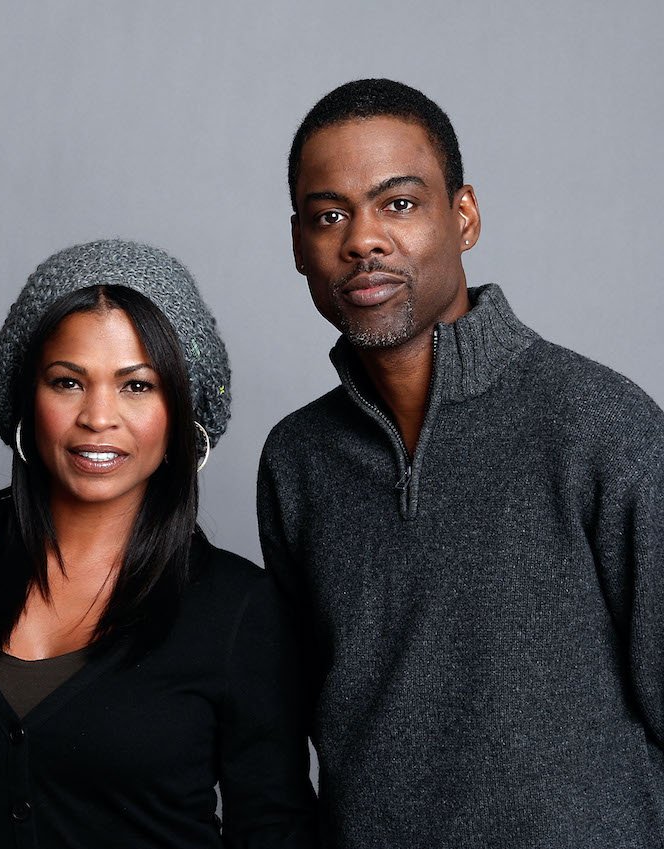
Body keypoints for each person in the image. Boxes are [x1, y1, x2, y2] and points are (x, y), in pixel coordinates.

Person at [257, 78, 664, 848]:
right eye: (329, 215)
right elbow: (289, 722)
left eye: (399, 204)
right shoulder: (298, 459)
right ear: (298, 244)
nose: (363, 240)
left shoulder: (599, 424)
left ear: (464, 216)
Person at [0, 239, 316, 849]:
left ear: (183, 413)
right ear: (26, 399)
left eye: (138, 386)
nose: (99, 416)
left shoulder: (238, 611)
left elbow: (274, 830)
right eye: (68, 382)